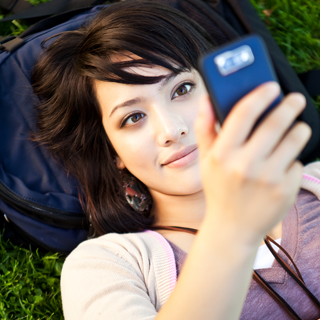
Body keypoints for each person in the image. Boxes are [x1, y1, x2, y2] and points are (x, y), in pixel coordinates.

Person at [31, 1, 320, 319]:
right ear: (114, 153)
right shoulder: (108, 264)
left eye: (182, 89)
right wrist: (232, 227)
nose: (172, 129)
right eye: (133, 117)